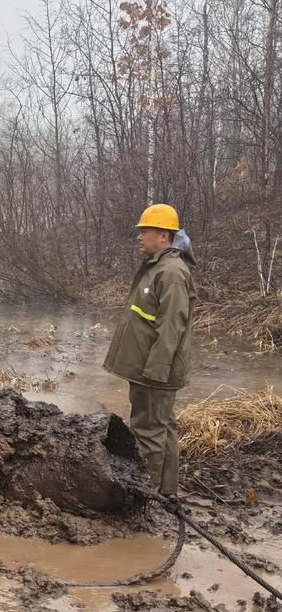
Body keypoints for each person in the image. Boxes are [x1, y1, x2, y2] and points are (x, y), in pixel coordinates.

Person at [104, 204, 196, 495]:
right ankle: (166, 493)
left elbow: (172, 326)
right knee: (162, 427)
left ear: (164, 236)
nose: (139, 236)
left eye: (145, 230)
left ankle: (149, 497)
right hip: (149, 368)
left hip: (154, 371)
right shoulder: (158, 267)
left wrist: (156, 371)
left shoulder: (170, 272)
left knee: (149, 432)